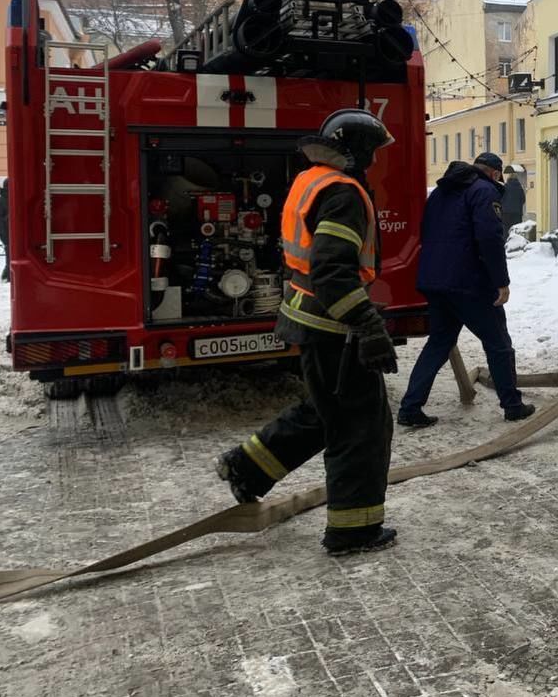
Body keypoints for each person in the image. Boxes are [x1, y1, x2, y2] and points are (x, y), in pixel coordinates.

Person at [214, 110, 400, 555]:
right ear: (355, 152)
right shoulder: (343, 194)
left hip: (311, 319)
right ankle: (353, 531)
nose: (375, 160)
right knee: (361, 427)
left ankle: (247, 468)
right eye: (372, 151)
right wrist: (366, 323)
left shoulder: (311, 179)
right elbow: (333, 270)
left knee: (324, 411)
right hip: (334, 327)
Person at [397, 152, 534, 428]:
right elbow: (490, 237)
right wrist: (501, 281)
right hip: (469, 282)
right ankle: (512, 405)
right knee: (498, 343)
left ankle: (410, 407)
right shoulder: (483, 191)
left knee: (438, 343)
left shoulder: (439, 193)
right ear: (494, 173)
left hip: (435, 281)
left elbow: (426, 231)